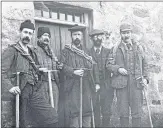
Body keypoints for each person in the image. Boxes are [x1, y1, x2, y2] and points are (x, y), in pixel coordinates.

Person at [2, 20, 58, 127]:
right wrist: (10, 87)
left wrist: (39, 70)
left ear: (32, 35)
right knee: (24, 123)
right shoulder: (12, 50)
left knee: (52, 116)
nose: (27, 36)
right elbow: (1, 71)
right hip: (20, 92)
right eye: (25, 32)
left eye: (30, 33)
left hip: (33, 90)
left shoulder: (32, 52)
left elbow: (33, 67)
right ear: (20, 32)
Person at [106, 22, 149, 127]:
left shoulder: (139, 47)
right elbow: (108, 65)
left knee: (137, 111)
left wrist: (146, 79)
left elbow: (145, 65)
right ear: (120, 34)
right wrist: (118, 68)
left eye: (128, 32)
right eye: (124, 33)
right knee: (123, 112)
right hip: (122, 85)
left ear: (131, 33)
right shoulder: (115, 48)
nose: (126, 35)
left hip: (136, 83)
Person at [59, 25, 95, 127]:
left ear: (82, 36)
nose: (77, 37)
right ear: (71, 36)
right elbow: (61, 66)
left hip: (85, 85)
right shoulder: (65, 51)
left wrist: (88, 66)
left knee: (87, 110)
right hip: (72, 85)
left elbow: (92, 66)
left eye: (79, 34)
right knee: (74, 112)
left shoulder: (87, 52)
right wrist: (73, 72)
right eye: (75, 35)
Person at [88, 29, 114, 127]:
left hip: (106, 86)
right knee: (95, 110)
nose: (98, 38)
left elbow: (111, 65)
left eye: (99, 36)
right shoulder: (87, 52)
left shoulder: (108, 52)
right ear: (91, 38)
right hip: (93, 86)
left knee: (106, 111)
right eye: (95, 36)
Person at [35, 27, 60, 111]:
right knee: (44, 110)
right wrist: (39, 69)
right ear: (38, 37)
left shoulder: (51, 52)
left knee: (54, 108)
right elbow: (30, 66)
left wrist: (59, 66)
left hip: (53, 83)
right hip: (42, 83)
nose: (47, 38)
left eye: (48, 36)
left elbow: (56, 67)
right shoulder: (34, 50)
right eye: (44, 35)